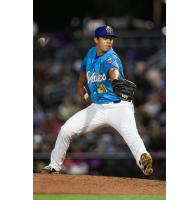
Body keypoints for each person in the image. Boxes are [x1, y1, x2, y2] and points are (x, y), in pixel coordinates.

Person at [41, 25, 153, 176]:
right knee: (66, 130)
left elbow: (113, 71)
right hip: (97, 108)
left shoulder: (111, 58)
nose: (109, 41)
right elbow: (82, 74)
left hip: (118, 107)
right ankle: (54, 166)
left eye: (111, 38)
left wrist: (114, 80)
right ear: (96, 39)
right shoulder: (90, 53)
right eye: (106, 38)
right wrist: (81, 87)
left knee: (132, 136)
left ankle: (144, 161)